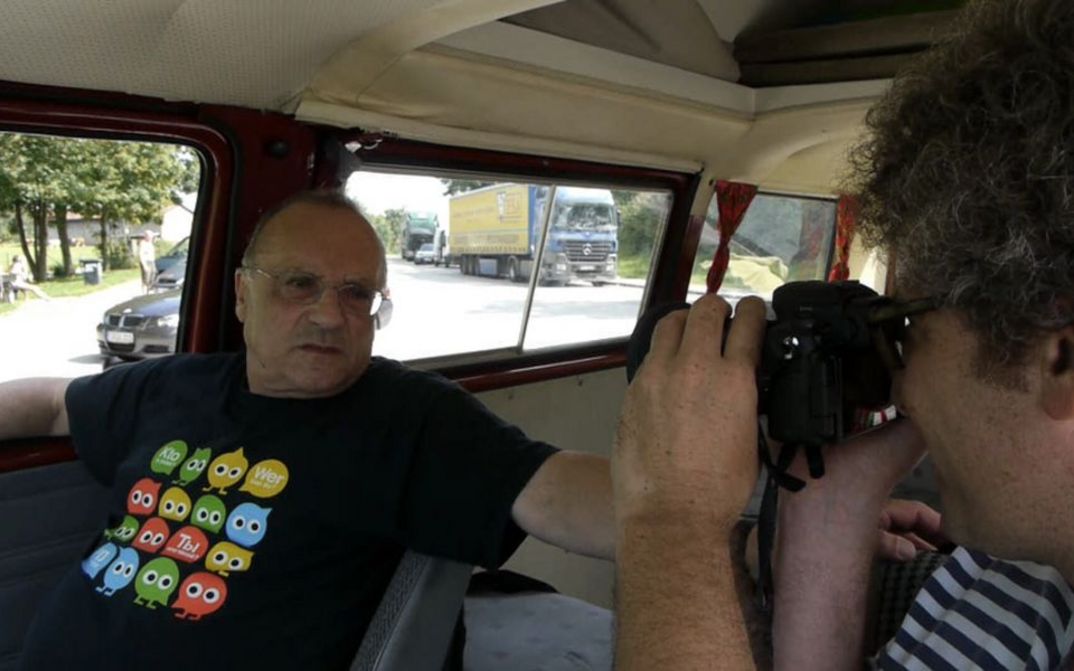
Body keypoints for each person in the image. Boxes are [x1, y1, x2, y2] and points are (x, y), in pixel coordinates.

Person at [612, 0, 1074, 669]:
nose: (901, 378)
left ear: (1060, 360)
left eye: (906, 325)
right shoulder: (1025, 574)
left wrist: (669, 524)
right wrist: (828, 501)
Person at [0, 190, 614, 670]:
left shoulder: (409, 417)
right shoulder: (171, 386)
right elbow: (52, 404)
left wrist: (686, 518)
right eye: (300, 284)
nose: (329, 314)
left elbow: (560, 491)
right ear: (243, 294)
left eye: (357, 294)